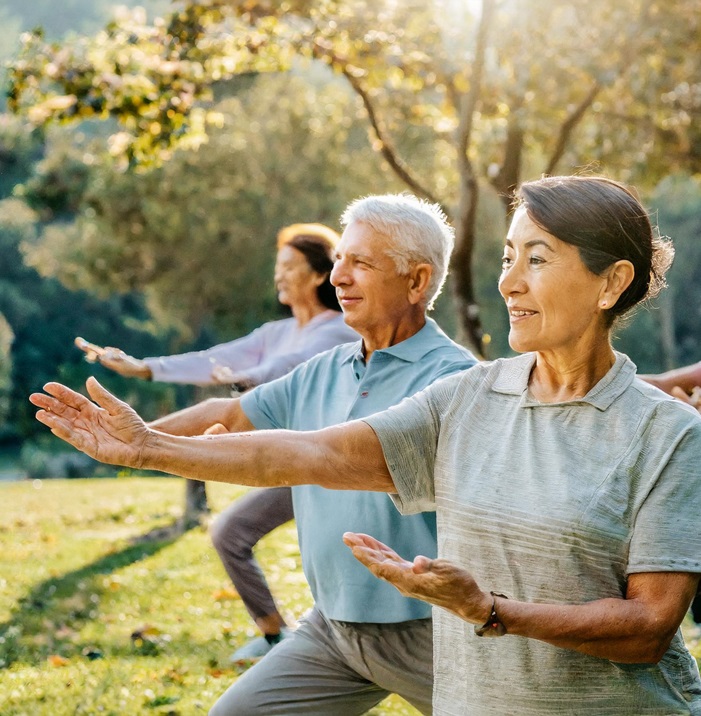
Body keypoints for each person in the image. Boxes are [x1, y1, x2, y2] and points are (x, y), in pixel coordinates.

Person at [33, 177, 701, 714]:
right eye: (505, 257)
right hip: (393, 651)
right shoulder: (468, 399)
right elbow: (310, 453)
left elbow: (647, 629)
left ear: (610, 282)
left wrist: (489, 612)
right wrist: (148, 448)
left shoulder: (665, 435)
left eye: (536, 259)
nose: (507, 282)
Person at [37, 193, 476, 715]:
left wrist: (151, 449)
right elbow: (236, 412)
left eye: (361, 263)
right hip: (332, 629)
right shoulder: (328, 366)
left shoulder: (453, 381)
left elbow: (311, 458)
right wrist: (132, 437)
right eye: (340, 260)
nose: (338, 277)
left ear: (417, 281)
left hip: (429, 634)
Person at [76, 223, 358, 660]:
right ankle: (275, 637)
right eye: (277, 267)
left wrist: (249, 378)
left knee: (340, 555)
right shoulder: (275, 332)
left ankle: (349, 643)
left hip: (338, 462)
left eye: (289, 266)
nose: (279, 276)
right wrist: (142, 367)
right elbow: (218, 359)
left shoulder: (337, 329)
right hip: (293, 461)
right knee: (229, 532)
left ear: (320, 275)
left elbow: (288, 366)